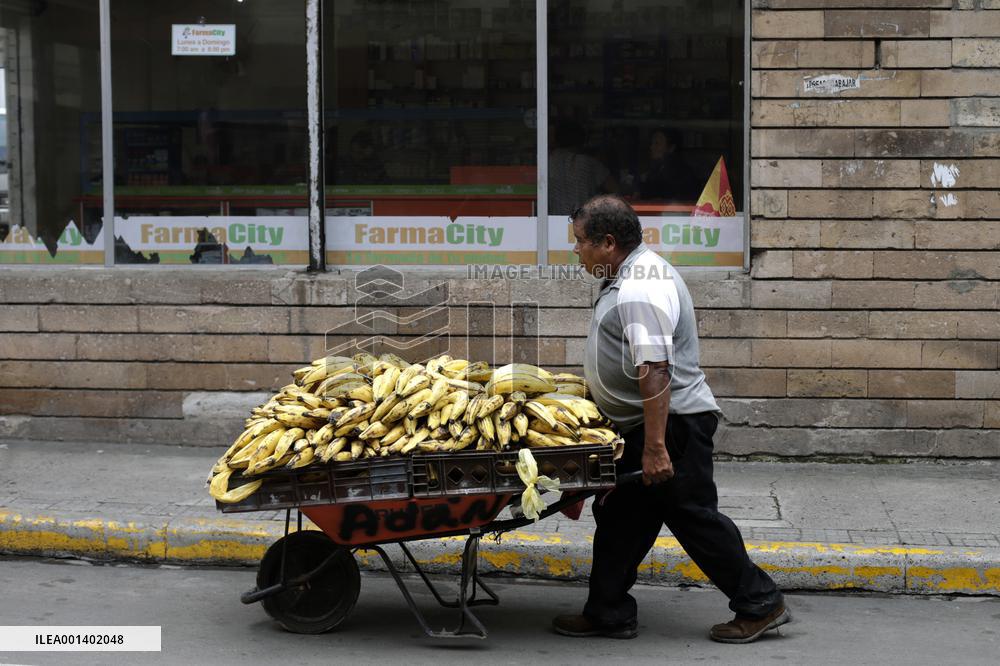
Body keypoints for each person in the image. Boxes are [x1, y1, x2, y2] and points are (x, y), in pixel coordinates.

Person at [552, 195, 788, 643]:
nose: (575, 251)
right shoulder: (623, 275)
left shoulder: (642, 286)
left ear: (607, 242)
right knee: (622, 518)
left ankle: (761, 601)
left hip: (672, 426)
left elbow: (655, 368)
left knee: (692, 515)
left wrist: (657, 447)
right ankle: (608, 611)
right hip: (645, 426)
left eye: (580, 242)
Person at [548, 120, 618, 216]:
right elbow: (614, 189)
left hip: (552, 222)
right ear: (583, 140)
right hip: (584, 222)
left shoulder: (546, 163)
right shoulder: (589, 163)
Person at [638, 128, 698, 203]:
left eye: (657, 143)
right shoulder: (652, 170)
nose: (652, 147)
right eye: (652, 143)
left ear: (671, 148)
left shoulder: (683, 174)